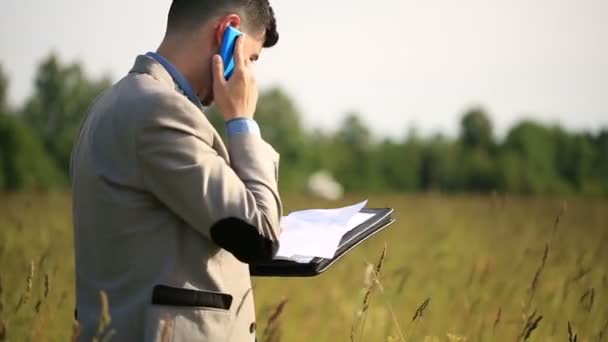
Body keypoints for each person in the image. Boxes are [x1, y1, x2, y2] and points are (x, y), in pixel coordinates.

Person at [70, 1, 282, 341]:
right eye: (251, 58)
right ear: (228, 31)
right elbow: (259, 236)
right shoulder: (160, 109)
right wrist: (242, 120)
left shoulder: (115, 102)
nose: (250, 74)